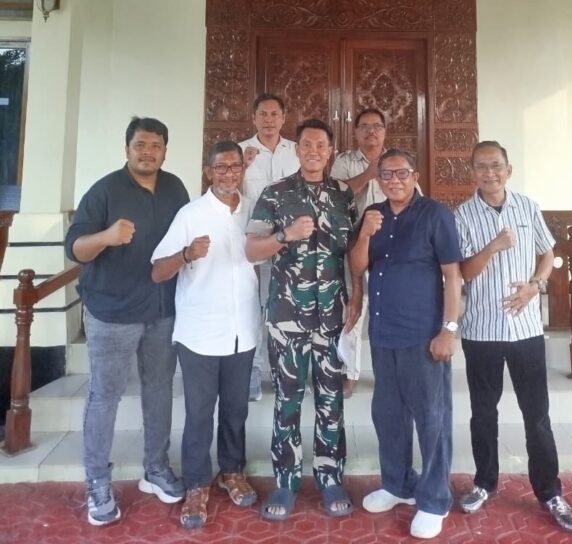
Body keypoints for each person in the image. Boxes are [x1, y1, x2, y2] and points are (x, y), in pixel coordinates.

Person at [65, 117, 189, 526]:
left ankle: (155, 468)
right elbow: (75, 249)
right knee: (105, 396)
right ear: (127, 149)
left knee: (159, 390)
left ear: (165, 151)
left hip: (162, 310)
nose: (147, 152)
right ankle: (97, 482)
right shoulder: (104, 191)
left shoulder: (175, 188)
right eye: (140, 145)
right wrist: (105, 237)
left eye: (155, 145)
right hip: (112, 312)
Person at [453, 140, 572, 533]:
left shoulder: (527, 207)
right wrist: (493, 246)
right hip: (482, 330)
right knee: (483, 413)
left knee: (536, 414)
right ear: (472, 172)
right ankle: (484, 483)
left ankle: (550, 492)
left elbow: (548, 253)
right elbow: (464, 272)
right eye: (481, 166)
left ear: (508, 170)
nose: (489, 173)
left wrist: (535, 286)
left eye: (496, 165)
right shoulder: (462, 215)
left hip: (526, 330)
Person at [245, 117, 360, 521]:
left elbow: (354, 252)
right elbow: (251, 250)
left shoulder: (344, 195)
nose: (313, 151)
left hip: (331, 316)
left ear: (330, 151)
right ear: (297, 150)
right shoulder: (275, 194)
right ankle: (286, 480)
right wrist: (285, 236)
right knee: (288, 399)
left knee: (331, 399)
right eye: (306, 145)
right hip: (287, 316)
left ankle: (330, 478)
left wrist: (358, 297)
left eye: (320, 145)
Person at [353, 148, 462, 540]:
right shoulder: (373, 214)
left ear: (415, 176)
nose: (394, 180)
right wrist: (365, 234)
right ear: (379, 178)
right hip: (384, 334)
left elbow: (453, 276)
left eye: (402, 173)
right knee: (388, 415)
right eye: (387, 174)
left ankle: (434, 500)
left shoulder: (435, 214)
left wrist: (448, 329)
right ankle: (398, 484)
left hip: (424, 336)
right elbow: (357, 266)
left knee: (432, 420)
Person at [151, 140, 260, 529]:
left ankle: (231, 471)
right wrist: (185, 255)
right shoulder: (190, 214)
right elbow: (157, 271)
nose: (229, 174)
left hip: (242, 329)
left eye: (235, 167)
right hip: (199, 333)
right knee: (199, 413)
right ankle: (197, 483)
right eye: (221, 167)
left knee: (236, 408)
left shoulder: (254, 211)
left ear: (242, 170)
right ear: (209, 172)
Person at [239, 93, 300, 402]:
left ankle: (282, 372)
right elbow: (226, 190)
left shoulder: (297, 151)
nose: (269, 119)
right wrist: (242, 167)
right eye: (263, 114)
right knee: (254, 307)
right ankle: (252, 371)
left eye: (274, 114)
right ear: (254, 118)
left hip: (291, 243)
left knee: (285, 309)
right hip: (254, 242)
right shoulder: (241, 152)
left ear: (283, 118)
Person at [330, 106, 388, 396]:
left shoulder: (396, 160)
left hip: (390, 249)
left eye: (377, 126)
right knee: (353, 308)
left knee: (387, 311)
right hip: (354, 246)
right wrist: (368, 174)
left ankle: (386, 372)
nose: (371, 131)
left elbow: (412, 196)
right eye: (364, 126)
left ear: (384, 131)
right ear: (356, 132)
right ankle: (350, 373)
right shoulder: (344, 162)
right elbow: (335, 196)